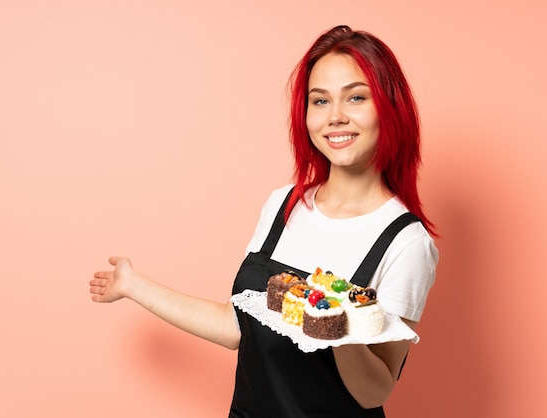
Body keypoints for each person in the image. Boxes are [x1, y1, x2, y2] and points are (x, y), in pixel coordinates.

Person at [89, 25, 438, 417]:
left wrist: (340, 326)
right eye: (319, 101)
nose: (335, 117)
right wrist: (133, 284)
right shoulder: (283, 205)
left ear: (389, 108)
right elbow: (237, 326)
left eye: (356, 97)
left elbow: (375, 392)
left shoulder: (407, 241)